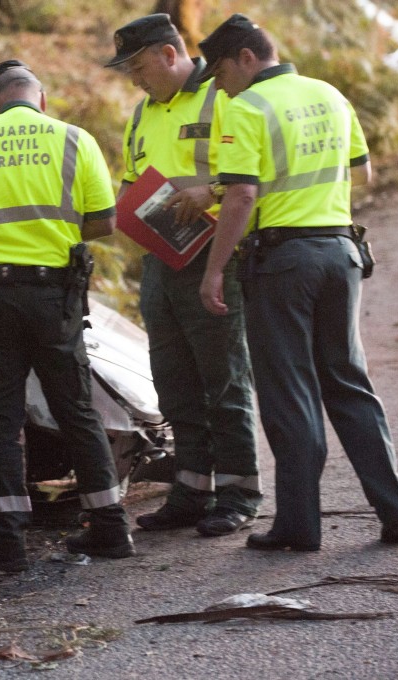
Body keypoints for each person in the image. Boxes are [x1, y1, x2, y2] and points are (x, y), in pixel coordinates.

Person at [197, 14, 398, 551]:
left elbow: (243, 196)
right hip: (340, 252)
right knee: (347, 381)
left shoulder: (248, 107)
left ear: (247, 58)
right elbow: (360, 170)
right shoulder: (329, 94)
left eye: (221, 72)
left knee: (289, 391)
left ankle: (298, 524)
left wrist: (215, 268)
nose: (220, 85)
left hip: (283, 262)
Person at [0, 59, 134, 573]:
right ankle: (110, 527)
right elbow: (105, 222)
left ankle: (9, 539)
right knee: (77, 409)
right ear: (41, 100)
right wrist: (50, 232)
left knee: (2, 416)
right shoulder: (75, 140)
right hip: (55, 298)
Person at [105, 14, 261, 537]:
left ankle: (239, 492)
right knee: (173, 381)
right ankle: (192, 491)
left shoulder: (223, 97)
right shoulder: (141, 114)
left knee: (223, 378)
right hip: (160, 261)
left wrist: (212, 190)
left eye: (137, 65)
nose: (133, 77)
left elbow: (254, 172)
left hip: (215, 258)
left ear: (168, 54)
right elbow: (132, 181)